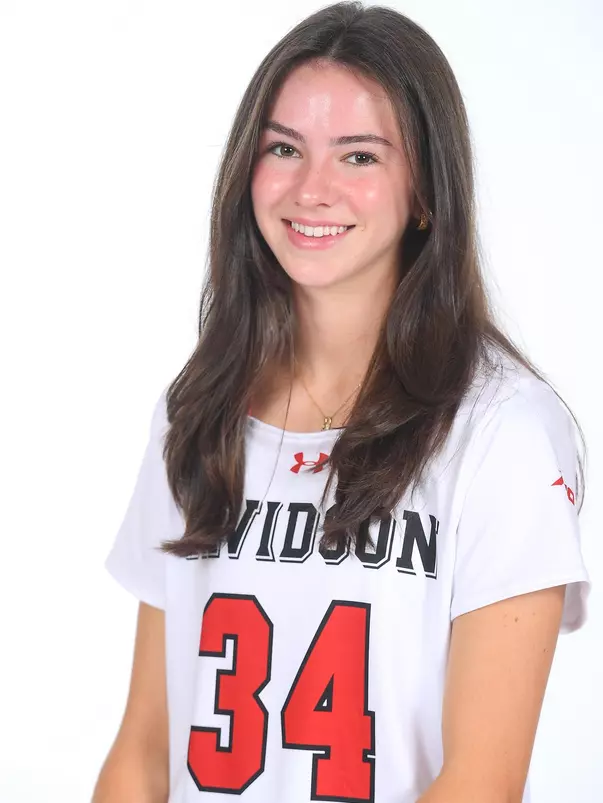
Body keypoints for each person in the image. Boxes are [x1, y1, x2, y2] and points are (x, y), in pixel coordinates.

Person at [92, 3, 591, 802]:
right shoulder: (198, 410)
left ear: (425, 189)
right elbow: (143, 752)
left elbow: (482, 781)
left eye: (358, 156)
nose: (310, 189)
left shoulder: (504, 432)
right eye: (283, 148)